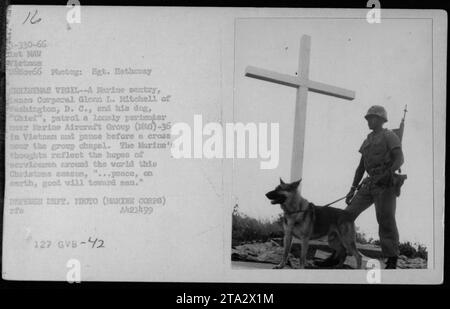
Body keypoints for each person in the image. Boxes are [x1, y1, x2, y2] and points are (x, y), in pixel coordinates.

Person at [318, 105, 404, 269]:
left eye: (372, 118)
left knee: (385, 219)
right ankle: (338, 254)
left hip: (385, 183)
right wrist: (352, 188)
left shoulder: (390, 136)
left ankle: (392, 259)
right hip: (369, 183)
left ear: (380, 120)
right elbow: (360, 167)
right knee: (345, 216)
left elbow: (400, 159)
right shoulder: (367, 140)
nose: (369, 121)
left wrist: (389, 172)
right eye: (368, 118)